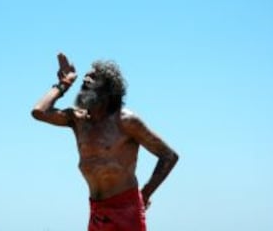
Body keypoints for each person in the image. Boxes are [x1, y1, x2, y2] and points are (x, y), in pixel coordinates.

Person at [31, 53, 179, 231]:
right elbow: (39, 111)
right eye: (85, 77)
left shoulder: (125, 120)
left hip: (126, 211)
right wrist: (65, 83)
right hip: (96, 211)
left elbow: (168, 156)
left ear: (108, 89)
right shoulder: (78, 120)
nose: (85, 78)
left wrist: (145, 194)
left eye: (93, 77)